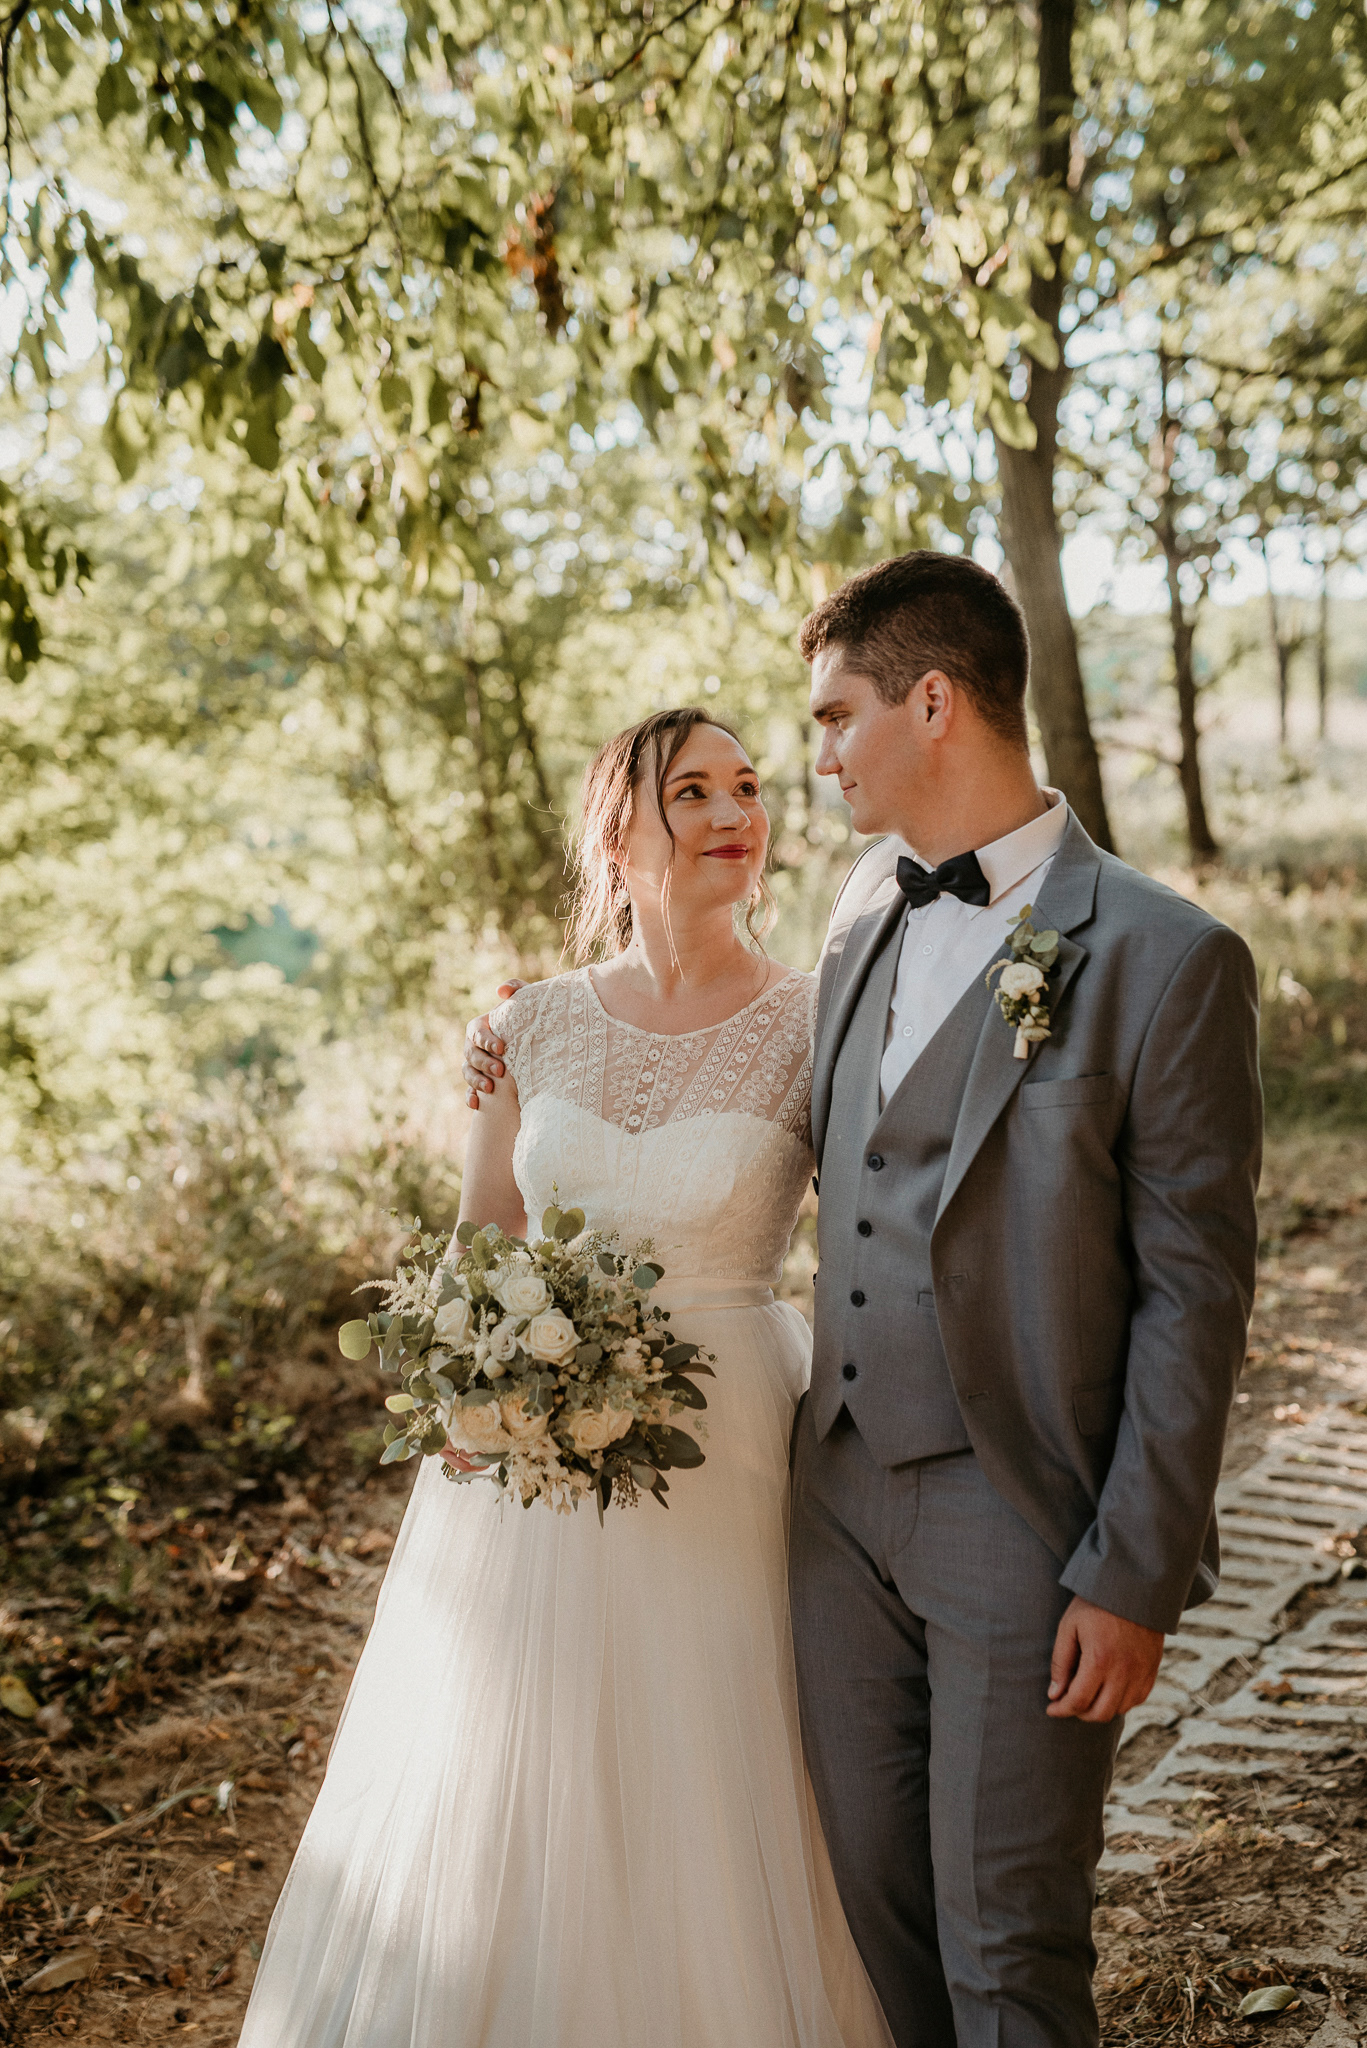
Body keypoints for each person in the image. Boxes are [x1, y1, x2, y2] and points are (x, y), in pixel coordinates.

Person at [466, 551, 1262, 2048]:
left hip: (1020, 1517)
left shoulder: (1168, 960)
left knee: (1007, 1938)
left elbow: (1195, 1297)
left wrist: (1132, 1570)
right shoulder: (857, 917)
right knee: (870, 1912)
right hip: (823, 1503)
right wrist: (522, 1033)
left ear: (934, 703)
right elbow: (683, 1033)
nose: (815, 759)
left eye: (835, 718)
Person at [237, 708, 892, 2048]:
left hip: (731, 1437)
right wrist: (469, 1387)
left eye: (747, 786)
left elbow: (882, 1230)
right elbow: (484, 1236)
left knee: (715, 1753)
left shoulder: (817, 1018)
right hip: (526, 1452)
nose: (735, 813)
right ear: (616, 831)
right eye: (692, 791)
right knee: (524, 1756)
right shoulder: (527, 1025)